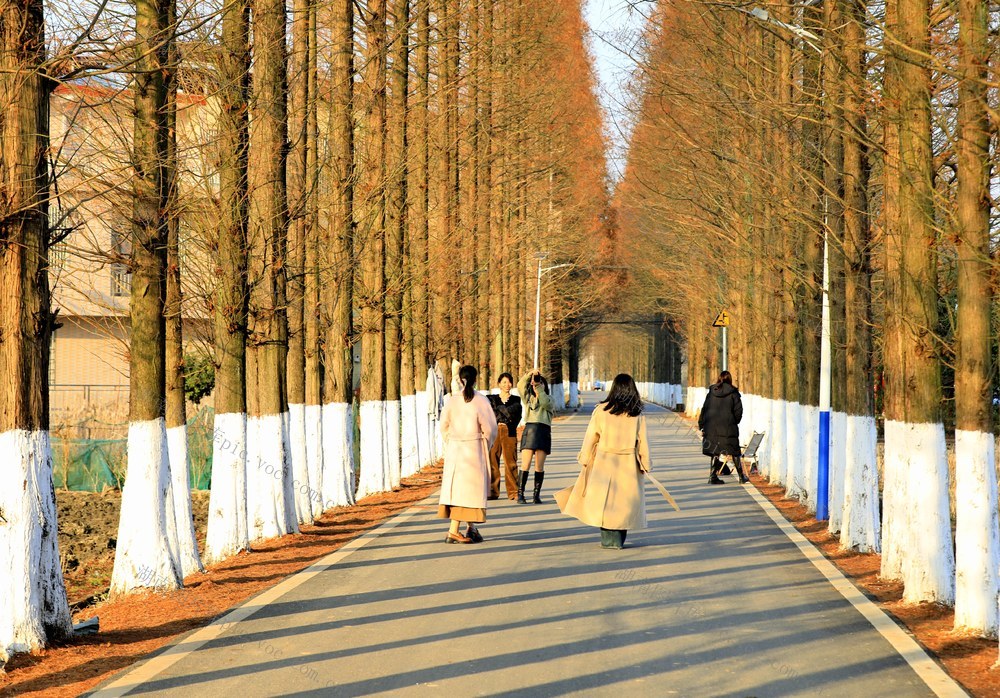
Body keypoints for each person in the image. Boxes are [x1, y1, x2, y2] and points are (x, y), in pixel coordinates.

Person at [556, 373, 650, 549]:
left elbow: (590, 437)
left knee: (604, 500)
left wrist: (584, 457)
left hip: (604, 461)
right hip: (628, 463)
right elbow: (643, 442)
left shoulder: (601, 411)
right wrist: (645, 463)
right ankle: (618, 539)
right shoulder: (637, 414)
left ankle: (608, 539)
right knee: (624, 503)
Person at [439, 365, 498, 543]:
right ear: (475, 378)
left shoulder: (452, 400)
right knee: (470, 490)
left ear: (459, 378)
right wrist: (486, 444)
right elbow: (490, 428)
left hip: (455, 450)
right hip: (474, 449)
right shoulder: (480, 400)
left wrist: (451, 440)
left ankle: (471, 528)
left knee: (459, 489)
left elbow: (444, 426)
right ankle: (453, 531)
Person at [698, 370, 747, 484]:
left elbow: (704, 409)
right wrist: (733, 422)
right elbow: (738, 412)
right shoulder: (734, 393)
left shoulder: (711, 392)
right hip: (728, 429)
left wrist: (702, 424)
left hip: (711, 428)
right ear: (729, 379)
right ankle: (741, 477)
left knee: (715, 452)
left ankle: (712, 476)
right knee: (735, 452)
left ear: (719, 378)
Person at [516, 369, 554, 503]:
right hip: (530, 431)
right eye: (535, 384)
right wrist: (529, 375)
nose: (537, 385)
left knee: (539, 466)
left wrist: (539, 389)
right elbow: (520, 386)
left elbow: (544, 403)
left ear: (544, 385)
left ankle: (536, 495)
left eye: (540, 383)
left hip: (543, 432)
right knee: (525, 464)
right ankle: (520, 494)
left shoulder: (549, 400)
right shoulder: (529, 400)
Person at [488, 372, 522, 500]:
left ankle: (513, 492)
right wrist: (502, 416)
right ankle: (493, 491)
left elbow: (517, 416)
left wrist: (499, 413)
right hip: (495, 431)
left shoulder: (516, 400)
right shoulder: (491, 399)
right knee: (493, 460)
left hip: (510, 431)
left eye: (509, 382)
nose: (507, 385)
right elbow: (490, 415)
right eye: (504, 382)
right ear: (499, 384)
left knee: (511, 462)